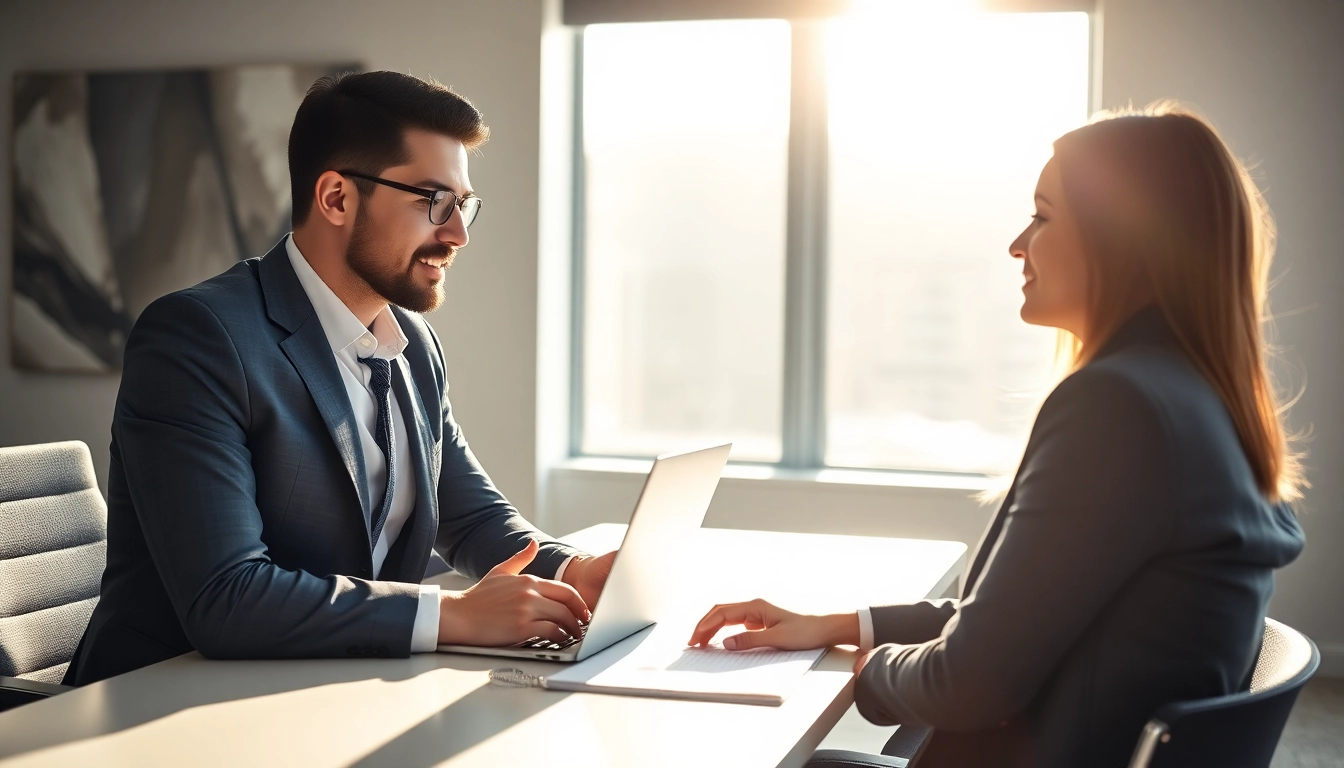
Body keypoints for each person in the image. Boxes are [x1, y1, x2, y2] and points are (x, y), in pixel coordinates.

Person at [688, 104, 1307, 768]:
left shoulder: (1118, 408)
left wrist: (864, 671)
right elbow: (1014, 618)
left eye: (1042, 216)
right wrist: (836, 626)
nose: (1018, 244)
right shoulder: (1200, 402)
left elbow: (969, 683)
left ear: (1120, 240)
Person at [65, 71, 615, 686]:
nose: (457, 234)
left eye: (463, 205)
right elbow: (226, 596)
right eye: (434, 201)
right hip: (157, 702)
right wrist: (452, 614)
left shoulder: (413, 346)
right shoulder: (198, 337)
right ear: (336, 198)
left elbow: (471, 516)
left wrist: (575, 572)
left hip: (328, 690)